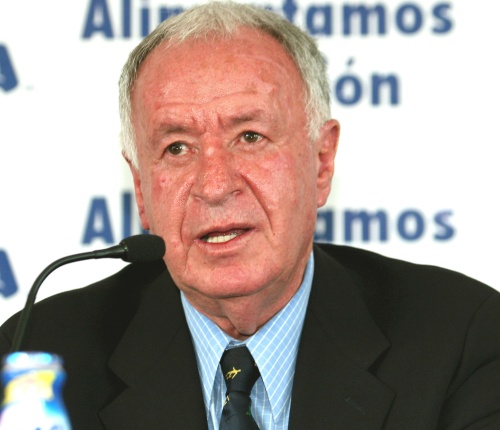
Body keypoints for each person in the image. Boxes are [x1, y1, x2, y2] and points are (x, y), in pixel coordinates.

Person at [1, 1, 499, 429]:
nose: (215, 185)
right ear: (141, 189)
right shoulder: (41, 359)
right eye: (177, 148)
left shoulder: (461, 340)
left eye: (250, 137)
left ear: (321, 161)